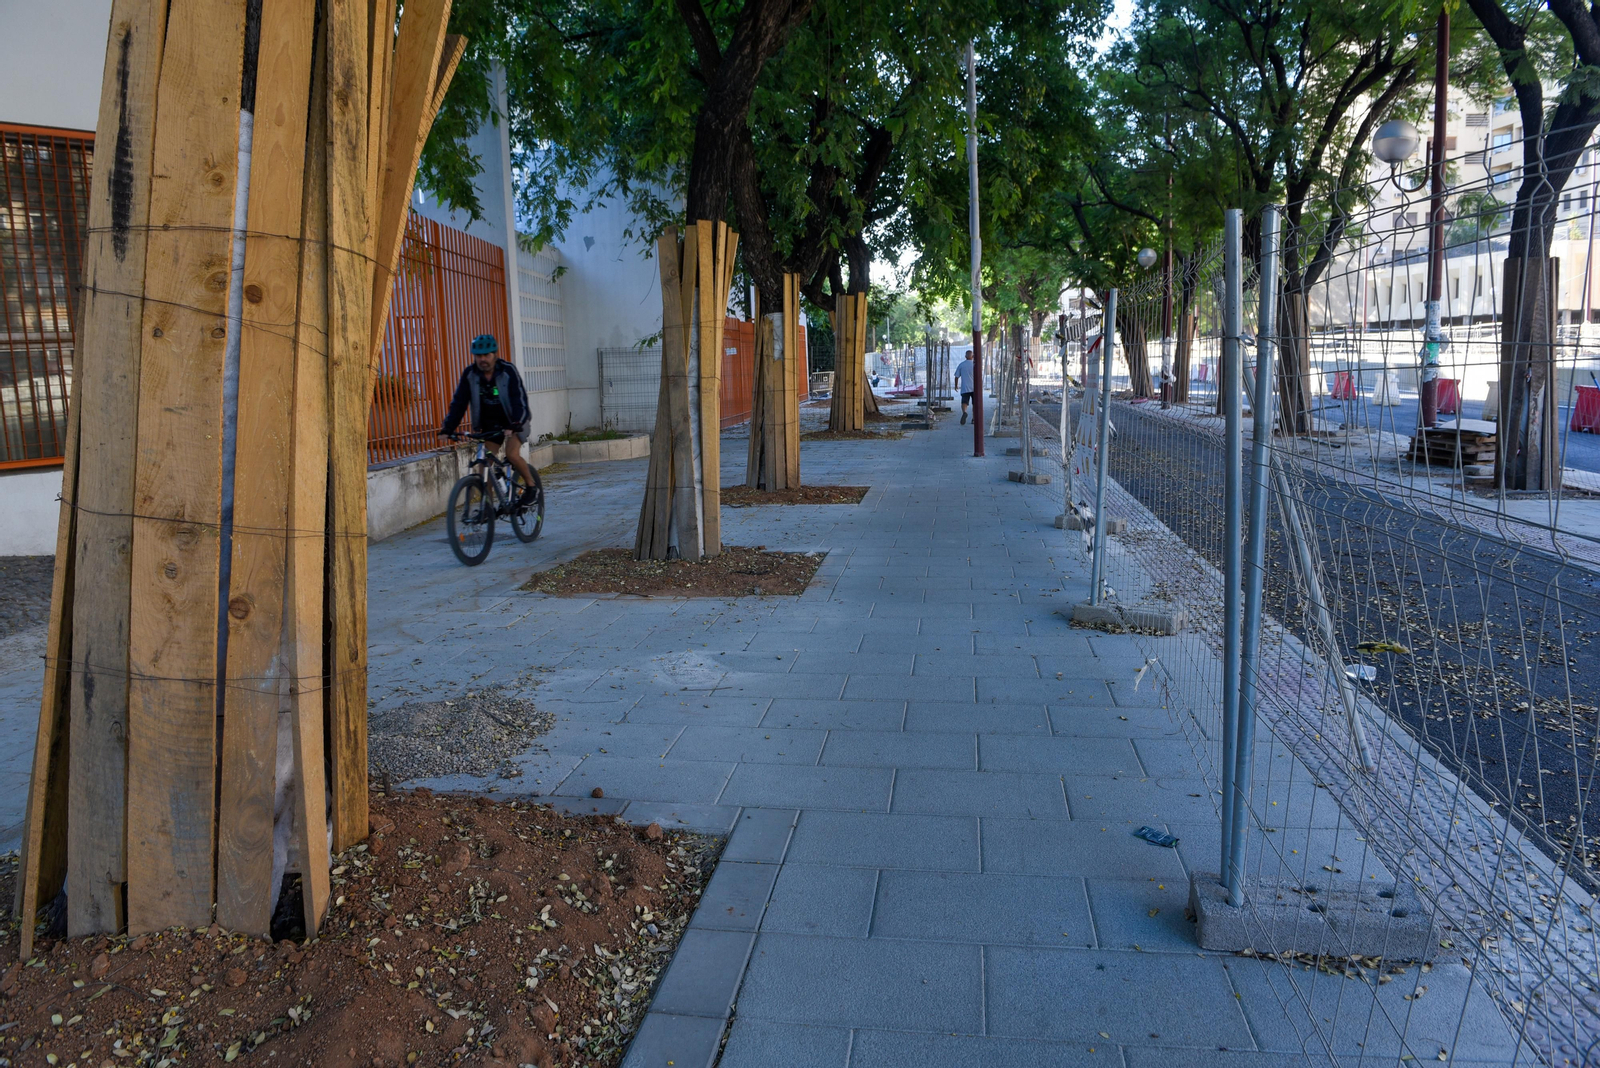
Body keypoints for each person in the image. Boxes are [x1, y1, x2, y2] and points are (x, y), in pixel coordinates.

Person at [440, 334, 537, 506]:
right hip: (490, 425)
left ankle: (531, 486)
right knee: (485, 464)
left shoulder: (507, 371)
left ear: (495, 354)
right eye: (479, 356)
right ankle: (488, 506)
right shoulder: (470, 375)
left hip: (515, 422)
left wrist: (515, 423)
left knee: (511, 454)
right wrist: (448, 427)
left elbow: (518, 399)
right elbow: (459, 402)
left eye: (486, 355)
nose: (482, 359)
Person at [954, 351, 976, 424]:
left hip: (965, 387)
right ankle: (974, 418)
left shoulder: (961, 365)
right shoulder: (975, 365)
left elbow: (956, 376)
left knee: (964, 402)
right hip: (975, 388)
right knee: (975, 404)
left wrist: (956, 385)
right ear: (972, 356)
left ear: (965, 356)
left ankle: (964, 412)